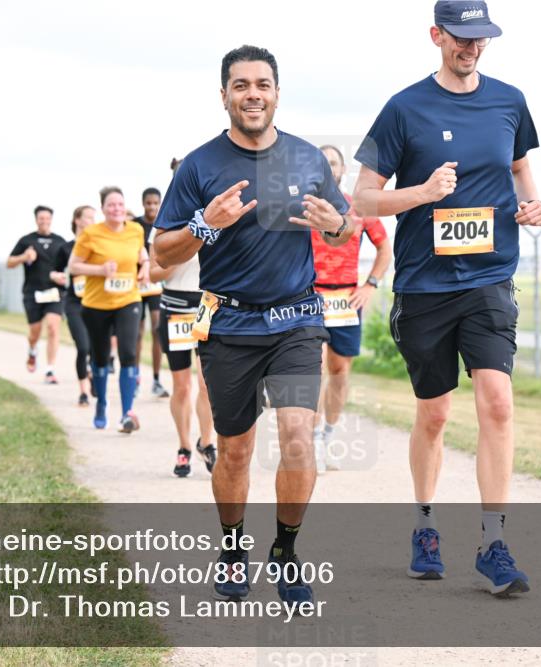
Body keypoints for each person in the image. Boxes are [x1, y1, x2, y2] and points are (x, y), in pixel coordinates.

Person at [352, 0, 541, 596]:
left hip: (489, 279)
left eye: (481, 37)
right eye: (461, 37)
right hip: (424, 286)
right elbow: (363, 199)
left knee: (498, 403)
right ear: (436, 35)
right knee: (434, 414)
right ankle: (425, 525)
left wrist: (532, 203)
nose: (472, 47)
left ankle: (494, 543)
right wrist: (422, 192)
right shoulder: (403, 108)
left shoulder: (509, 101)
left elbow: (519, 166)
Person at [153, 45, 353, 604]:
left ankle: (285, 551)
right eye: (240, 85)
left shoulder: (307, 158)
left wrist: (335, 224)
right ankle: (233, 548)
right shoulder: (199, 166)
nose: (252, 94)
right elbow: (163, 253)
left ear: (277, 94)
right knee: (236, 449)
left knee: (297, 439)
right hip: (230, 324)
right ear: (224, 96)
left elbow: (341, 229)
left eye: (262, 84)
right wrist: (204, 224)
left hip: (297, 319)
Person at [310, 145, 393, 474]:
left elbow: (385, 248)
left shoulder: (358, 207)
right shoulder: (305, 208)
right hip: (311, 298)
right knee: (314, 368)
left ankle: (328, 436)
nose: (328, 168)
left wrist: (370, 284)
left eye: (333, 163)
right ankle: (313, 440)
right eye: (322, 163)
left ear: (343, 170)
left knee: (340, 371)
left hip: (346, 299)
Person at [149, 160, 217, 477]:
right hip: (175, 307)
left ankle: (207, 441)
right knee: (181, 386)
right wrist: (180, 252)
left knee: (207, 384)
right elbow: (152, 273)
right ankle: (184, 446)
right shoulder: (166, 224)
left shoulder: (215, 217)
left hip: (205, 307)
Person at [69, 187, 149, 433]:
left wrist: (146, 266)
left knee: (128, 353)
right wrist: (100, 270)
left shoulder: (135, 230)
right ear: (103, 209)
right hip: (96, 305)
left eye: (120, 204)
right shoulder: (91, 234)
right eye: (111, 205)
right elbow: (73, 266)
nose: (117, 209)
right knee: (101, 358)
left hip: (129, 300)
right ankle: (102, 403)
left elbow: (141, 253)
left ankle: (127, 414)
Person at [7, 206, 67, 384]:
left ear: (51, 219)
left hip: (54, 292)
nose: (44, 221)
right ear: (36, 220)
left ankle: (50, 370)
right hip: (32, 292)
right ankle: (32, 350)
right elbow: (9, 262)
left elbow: (71, 263)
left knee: (53, 327)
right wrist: (24, 257)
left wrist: (62, 277)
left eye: (47, 218)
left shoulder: (60, 242)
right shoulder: (27, 241)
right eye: (41, 218)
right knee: (35, 331)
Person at [56, 205, 96, 406]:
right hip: (74, 303)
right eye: (88, 217)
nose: (92, 221)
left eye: (94, 218)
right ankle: (83, 392)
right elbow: (53, 271)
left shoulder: (98, 246)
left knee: (96, 348)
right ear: (77, 220)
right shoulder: (65, 248)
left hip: (96, 301)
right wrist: (57, 276)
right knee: (83, 347)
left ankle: (93, 373)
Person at [134, 187, 170, 399]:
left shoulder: (164, 223)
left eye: (156, 203)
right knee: (137, 332)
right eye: (149, 203)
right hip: (137, 284)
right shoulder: (134, 225)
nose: (152, 207)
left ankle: (156, 380)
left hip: (155, 284)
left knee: (157, 329)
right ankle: (135, 377)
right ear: (143, 203)